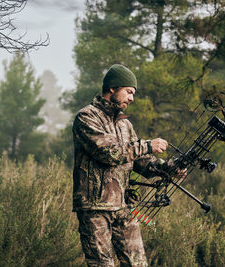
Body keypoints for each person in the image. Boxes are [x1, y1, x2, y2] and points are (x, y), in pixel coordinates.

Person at [72, 64, 171, 266]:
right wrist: (148, 145)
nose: (131, 98)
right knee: (102, 264)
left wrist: (169, 168)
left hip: (124, 206)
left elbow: (140, 162)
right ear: (112, 88)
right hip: (95, 208)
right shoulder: (87, 117)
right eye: (128, 92)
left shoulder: (125, 124)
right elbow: (109, 153)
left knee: (138, 263)